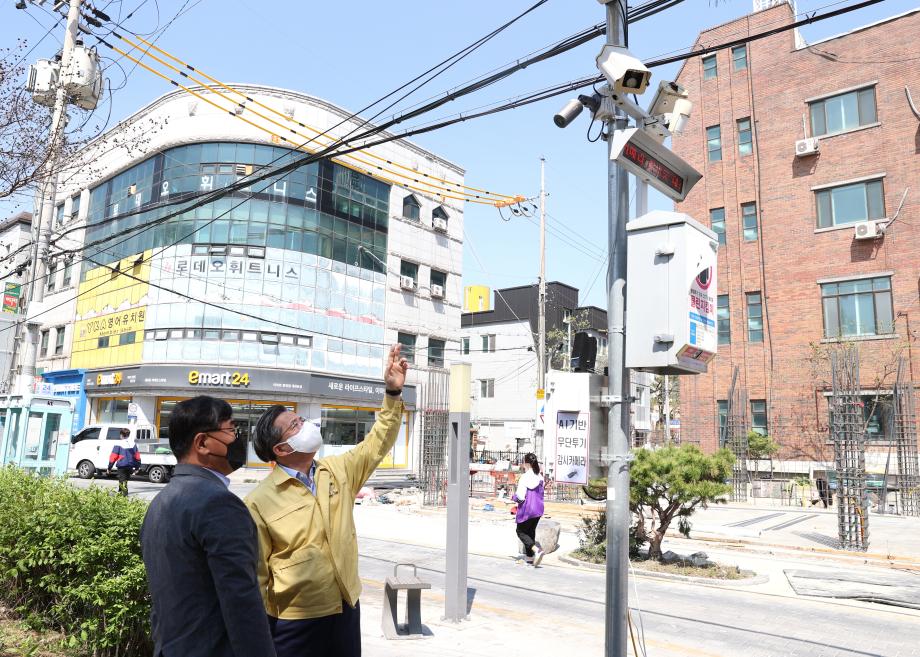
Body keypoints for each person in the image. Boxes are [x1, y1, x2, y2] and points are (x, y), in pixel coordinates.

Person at [245, 344, 408, 657]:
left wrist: (392, 393)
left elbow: (378, 441)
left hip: (346, 607)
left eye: (301, 420)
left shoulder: (337, 471)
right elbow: (255, 577)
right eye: (295, 425)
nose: (305, 425)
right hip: (294, 623)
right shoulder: (258, 501)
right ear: (281, 449)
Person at [140, 396, 276, 657]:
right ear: (202, 443)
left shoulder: (160, 502)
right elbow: (242, 601)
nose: (237, 439)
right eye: (230, 430)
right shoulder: (219, 504)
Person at [513, 452, 546, 566]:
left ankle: (536, 550)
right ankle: (530, 558)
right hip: (538, 509)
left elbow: (520, 496)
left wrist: (513, 497)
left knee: (521, 531)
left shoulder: (525, 477)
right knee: (530, 532)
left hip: (527, 510)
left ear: (526, 463)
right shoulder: (540, 476)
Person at [107, 427, 140, 496]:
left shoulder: (118, 443)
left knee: (122, 482)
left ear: (121, 435)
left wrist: (109, 467)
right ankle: (120, 494)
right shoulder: (133, 444)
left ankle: (124, 496)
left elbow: (113, 456)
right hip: (130, 466)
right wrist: (137, 467)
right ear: (128, 435)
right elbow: (137, 456)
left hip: (122, 465)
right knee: (124, 481)